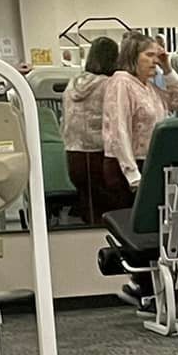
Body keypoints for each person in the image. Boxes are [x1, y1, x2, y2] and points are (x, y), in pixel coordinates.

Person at [102, 30, 178, 197]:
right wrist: (133, 175)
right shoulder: (121, 83)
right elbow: (119, 129)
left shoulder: (148, 87)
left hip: (150, 162)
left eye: (156, 56)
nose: (155, 60)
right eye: (149, 55)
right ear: (133, 57)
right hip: (128, 168)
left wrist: (167, 69)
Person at [61, 35, 123, 225]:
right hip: (99, 156)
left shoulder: (73, 84)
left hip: (74, 156)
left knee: (89, 209)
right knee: (114, 212)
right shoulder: (109, 85)